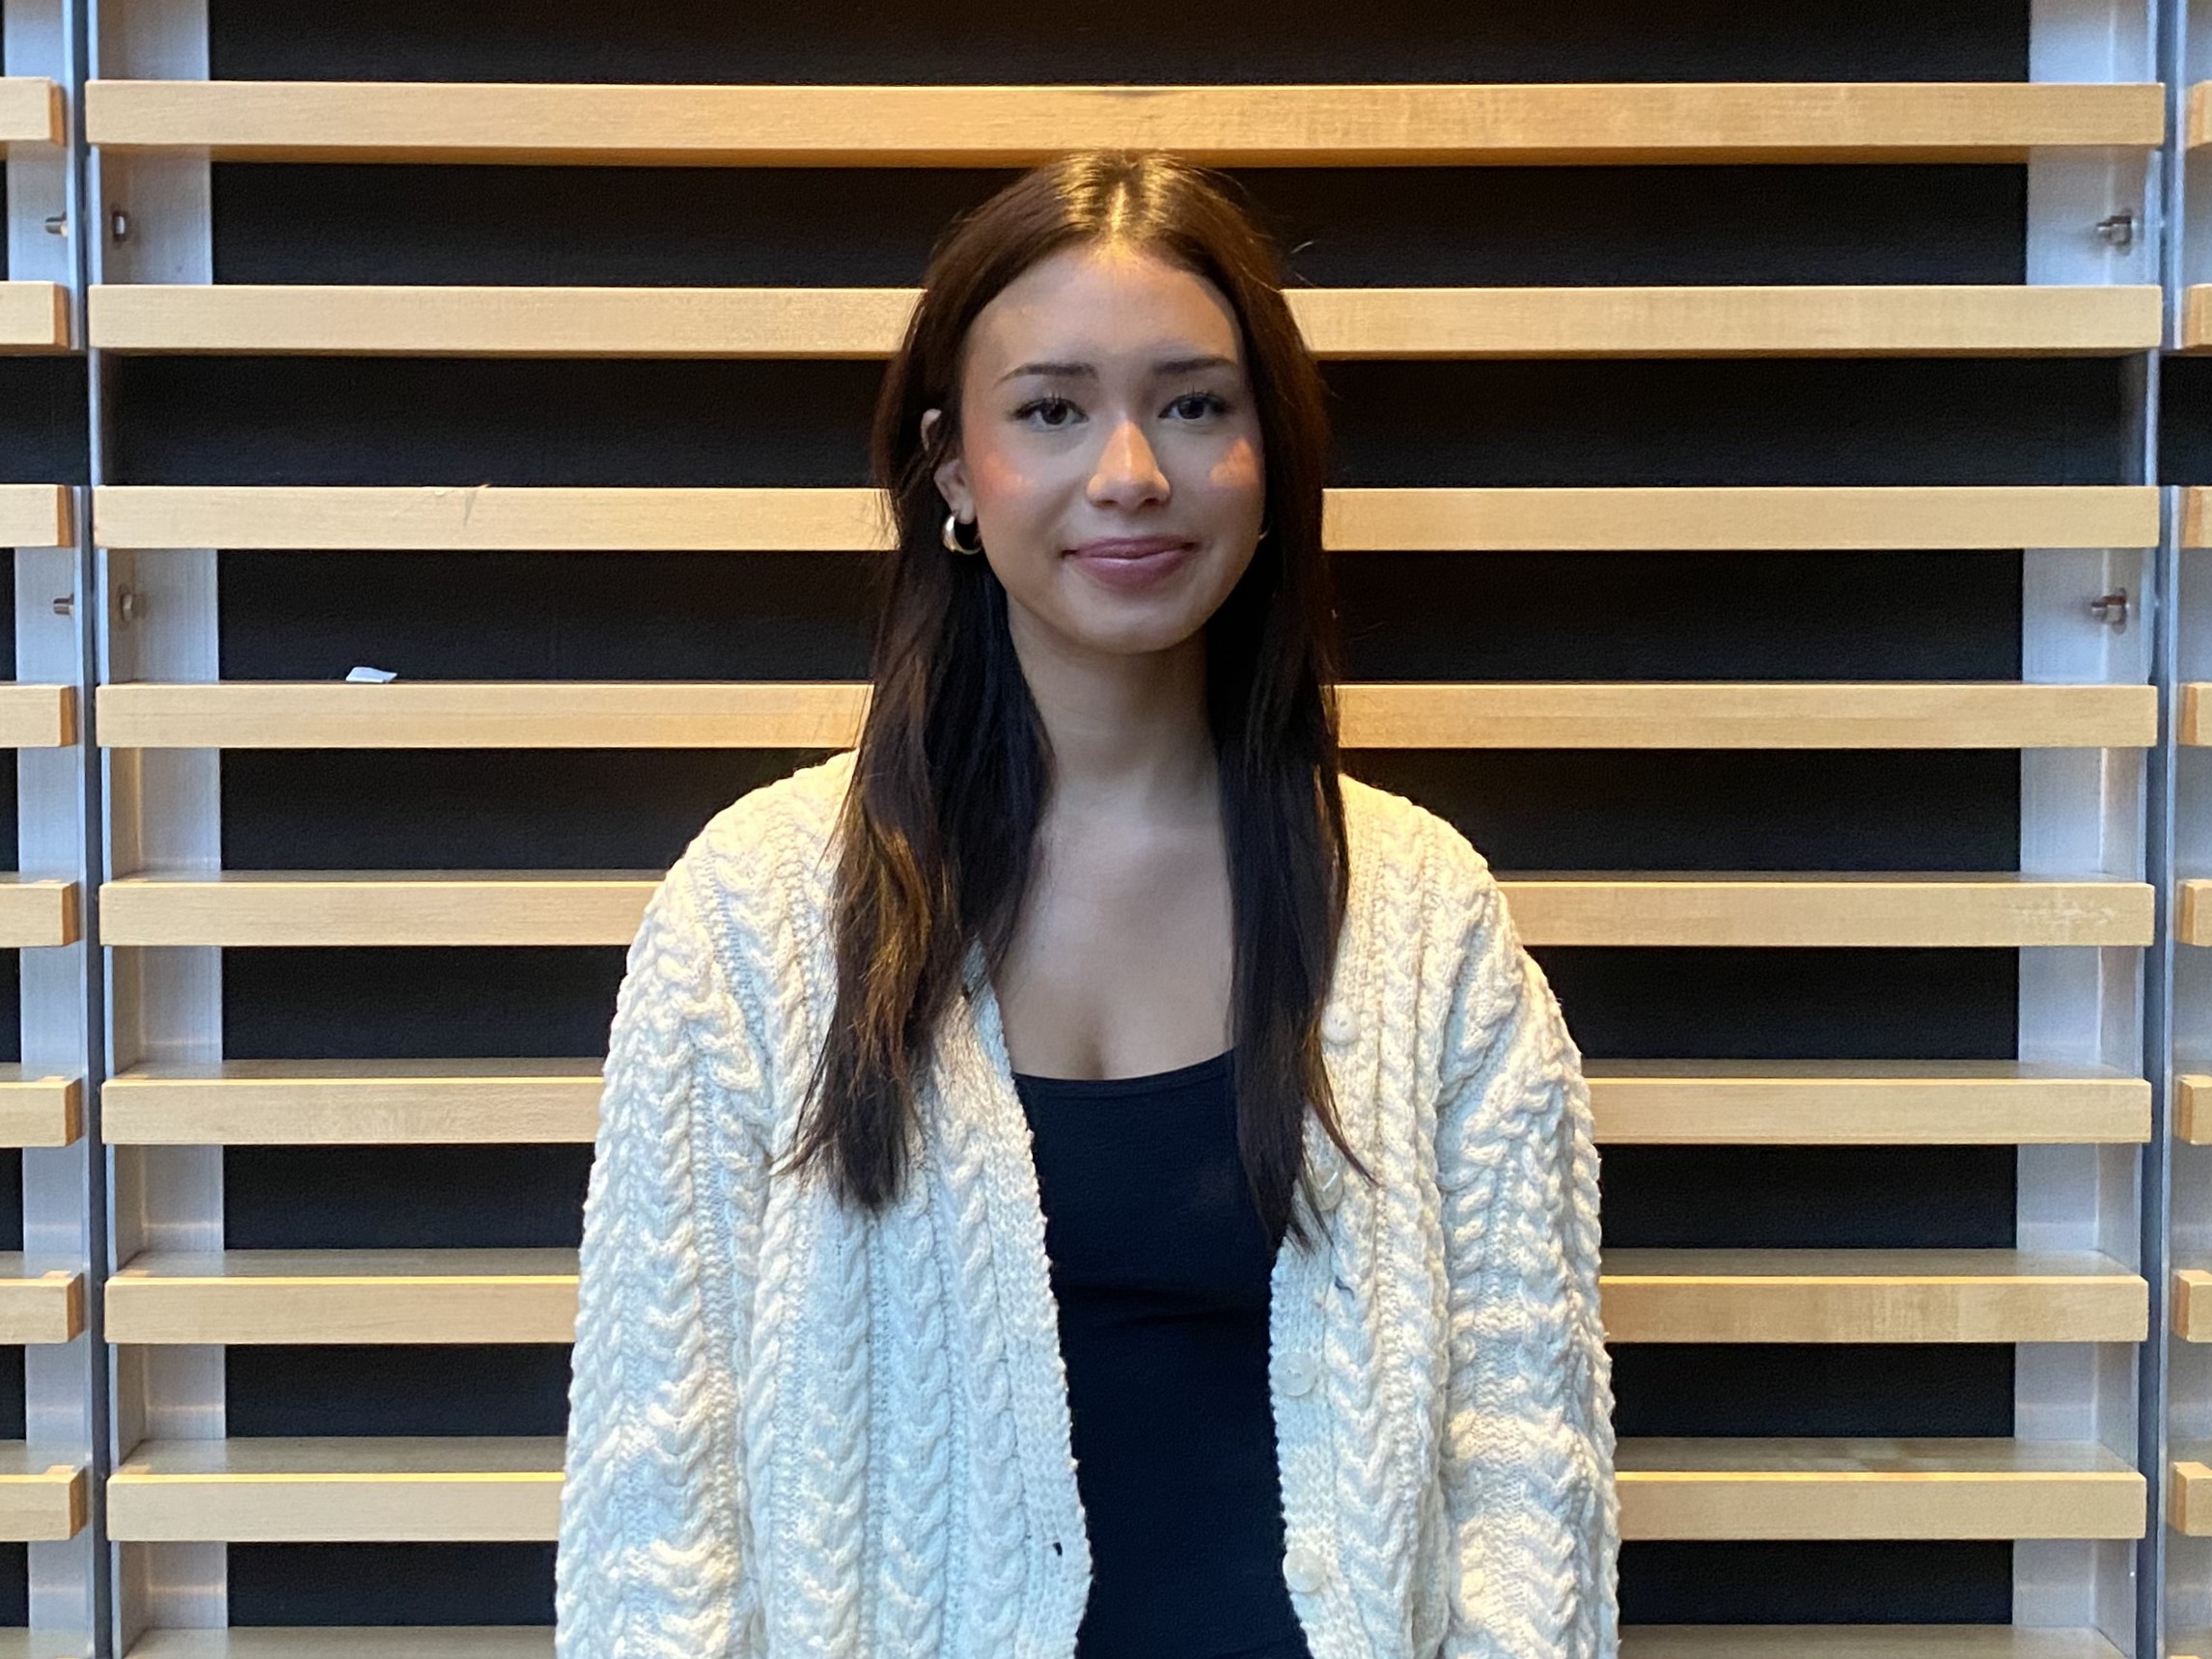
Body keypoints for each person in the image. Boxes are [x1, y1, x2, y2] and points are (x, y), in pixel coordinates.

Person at [553, 149, 1618, 1659]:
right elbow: (658, 1501)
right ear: (952, 467)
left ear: (1269, 454)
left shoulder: (1424, 920)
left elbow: (1525, 1455)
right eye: (1051, 410)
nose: (1131, 472)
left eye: (1194, 405)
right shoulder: (751, 919)